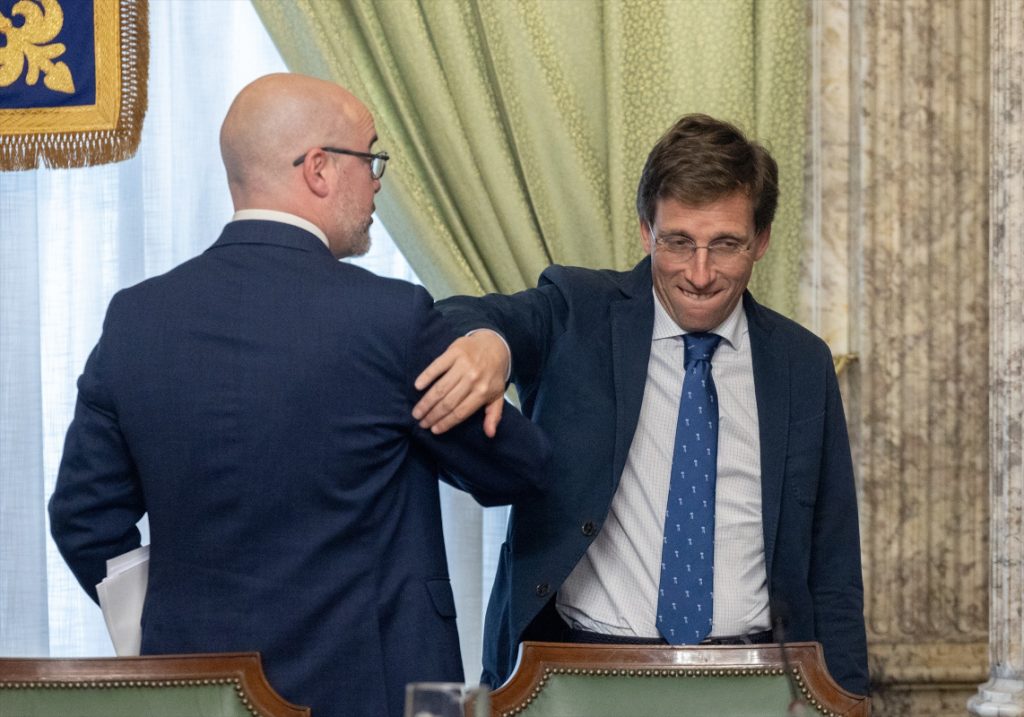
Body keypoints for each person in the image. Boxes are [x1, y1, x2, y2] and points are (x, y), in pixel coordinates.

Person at [48, 73, 551, 717]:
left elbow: (83, 518)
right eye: (370, 157)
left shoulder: (135, 319)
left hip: (199, 695)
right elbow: (521, 467)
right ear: (318, 168)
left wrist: (168, 627)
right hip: (379, 693)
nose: (376, 181)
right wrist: (490, 349)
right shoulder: (390, 319)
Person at [412, 114, 869, 695]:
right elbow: (458, 317)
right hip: (582, 671)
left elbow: (833, 566)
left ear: (761, 240)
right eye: (678, 241)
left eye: (725, 244)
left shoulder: (802, 364)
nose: (699, 273)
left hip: (754, 679)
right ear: (646, 231)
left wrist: (848, 701)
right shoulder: (577, 311)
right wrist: (490, 344)